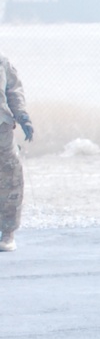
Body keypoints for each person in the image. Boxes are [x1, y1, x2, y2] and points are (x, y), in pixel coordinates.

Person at [0, 52, 34, 253]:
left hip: (2, 131)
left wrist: (23, 117)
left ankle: (7, 232)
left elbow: (13, 90)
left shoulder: (2, 62)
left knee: (11, 179)